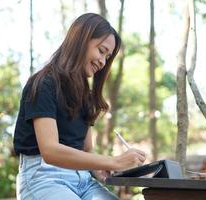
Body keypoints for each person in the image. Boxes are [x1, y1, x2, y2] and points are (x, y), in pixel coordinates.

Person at [13, 13, 146, 200]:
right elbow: (50, 150)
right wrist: (114, 161)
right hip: (43, 177)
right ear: (81, 40)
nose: (102, 61)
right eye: (101, 51)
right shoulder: (44, 83)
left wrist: (98, 168)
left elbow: (86, 151)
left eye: (107, 57)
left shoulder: (86, 96)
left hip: (83, 180)